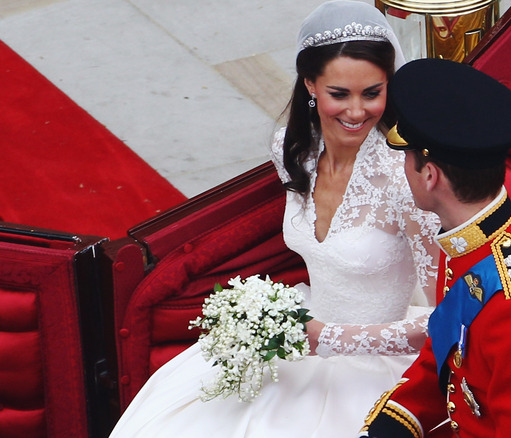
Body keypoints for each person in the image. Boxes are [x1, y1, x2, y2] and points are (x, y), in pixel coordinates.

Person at [109, 2, 440, 437]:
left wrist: (330, 339)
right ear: (309, 85)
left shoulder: (406, 180)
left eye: (372, 93)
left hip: (370, 364)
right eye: (339, 94)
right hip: (295, 335)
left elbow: (443, 317)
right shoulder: (293, 149)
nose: (356, 112)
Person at [359, 58, 511, 437]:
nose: (404, 169)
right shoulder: (473, 235)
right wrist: (389, 427)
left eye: (407, 158)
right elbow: (450, 344)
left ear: (430, 175)